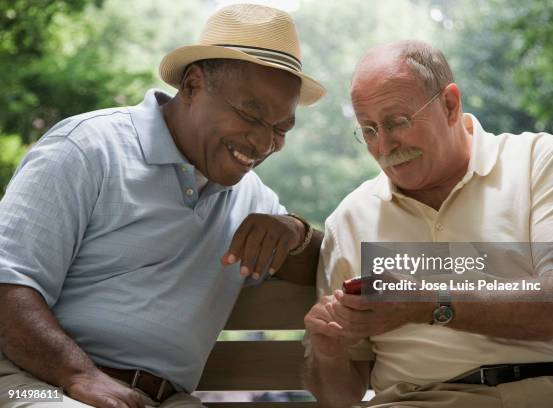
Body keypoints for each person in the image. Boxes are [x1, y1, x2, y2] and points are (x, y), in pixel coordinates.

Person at [0, 4, 325, 408]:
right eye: (250, 115)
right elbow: (8, 286)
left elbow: (325, 261)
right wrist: (78, 375)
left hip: (166, 400)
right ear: (192, 86)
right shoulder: (86, 148)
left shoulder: (250, 196)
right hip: (39, 381)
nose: (263, 144)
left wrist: (294, 230)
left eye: (280, 129)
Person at [303, 40, 553, 407]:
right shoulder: (350, 219)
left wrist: (427, 301)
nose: (383, 145)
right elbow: (341, 397)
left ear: (449, 104)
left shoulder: (541, 161)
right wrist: (328, 352)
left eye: (396, 122)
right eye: (368, 129)